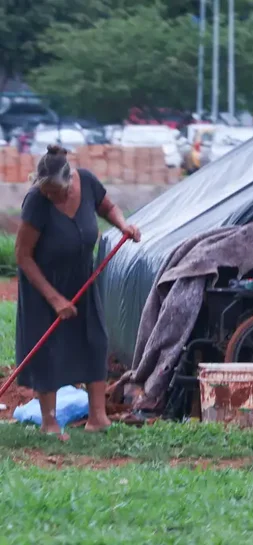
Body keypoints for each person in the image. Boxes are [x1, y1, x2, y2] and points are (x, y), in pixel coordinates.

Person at [15, 145, 140, 436]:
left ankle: (98, 418)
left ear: (71, 180)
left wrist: (123, 225)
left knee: (95, 339)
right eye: (46, 192)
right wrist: (55, 298)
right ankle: (49, 423)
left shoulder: (87, 181)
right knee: (49, 349)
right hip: (44, 283)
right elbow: (23, 255)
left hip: (82, 277)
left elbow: (107, 207)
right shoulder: (36, 201)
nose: (52, 197)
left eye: (56, 193)